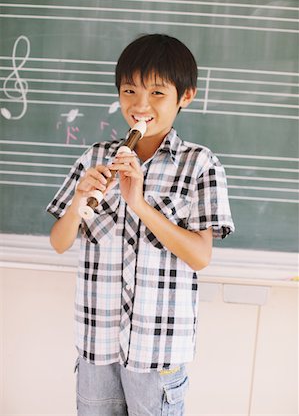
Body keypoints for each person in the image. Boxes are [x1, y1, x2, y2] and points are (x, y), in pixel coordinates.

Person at [47, 33, 234, 416]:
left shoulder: (200, 164)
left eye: (157, 94)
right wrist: (78, 202)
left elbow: (200, 256)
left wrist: (140, 204)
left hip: (158, 353)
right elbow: (59, 242)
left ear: (186, 96)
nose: (140, 106)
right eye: (130, 91)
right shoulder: (96, 157)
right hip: (96, 345)